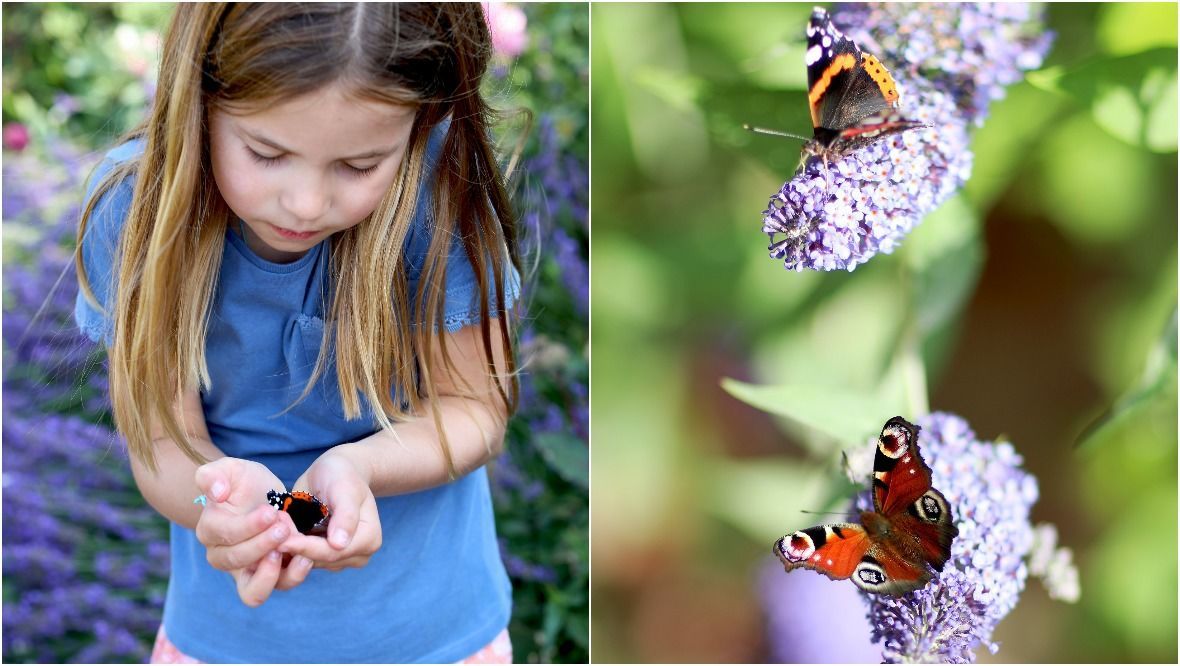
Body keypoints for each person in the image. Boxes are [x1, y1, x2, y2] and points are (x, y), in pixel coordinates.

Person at [74, 4, 521, 663]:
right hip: (229, 642)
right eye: (267, 153)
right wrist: (219, 497)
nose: (307, 204)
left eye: (360, 165)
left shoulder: (440, 189)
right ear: (198, 99)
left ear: (419, 122)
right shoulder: (135, 210)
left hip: (433, 638)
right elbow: (161, 441)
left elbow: (475, 409)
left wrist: (357, 467)